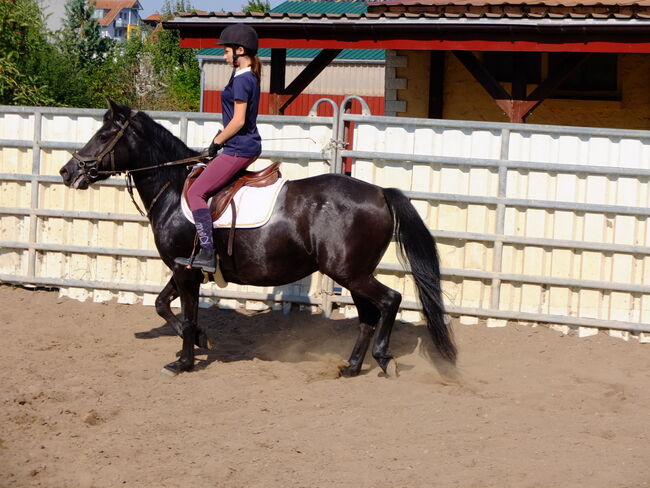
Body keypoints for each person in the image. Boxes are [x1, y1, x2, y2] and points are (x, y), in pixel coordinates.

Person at [175, 24, 262, 273]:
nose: (224, 56)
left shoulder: (243, 79)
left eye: (226, 51)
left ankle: (208, 252)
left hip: (239, 148)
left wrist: (217, 142)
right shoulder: (242, 75)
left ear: (240, 51)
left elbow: (238, 120)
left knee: (195, 193)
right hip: (236, 145)